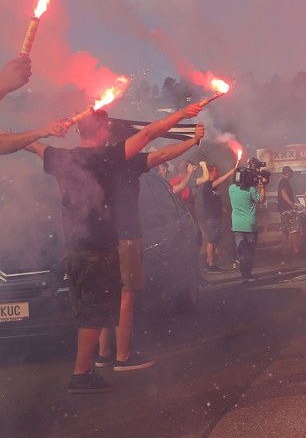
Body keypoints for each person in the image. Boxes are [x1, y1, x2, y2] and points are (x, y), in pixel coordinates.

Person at [24, 103, 202, 394]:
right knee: (94, 312)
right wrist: (180, 116)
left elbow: (35, 146)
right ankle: (81, 374)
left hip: (74, 247)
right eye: (106, 127)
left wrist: (16, 135)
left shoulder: (62, 157)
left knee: (88, 311)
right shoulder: (108, 157)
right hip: (97, 246)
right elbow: (149, 134)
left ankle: (91, 366)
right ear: (102, 131)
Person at [92, 123, 206, 372]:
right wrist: (193, 141)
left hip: (100, 238)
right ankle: (123, 355)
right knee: (125, 296)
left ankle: (103, 354)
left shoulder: (98, 160)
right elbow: (164, 154)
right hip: (126, 237)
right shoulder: (129, 162)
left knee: (104, 296)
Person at [196, 161, 236, 272]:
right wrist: (230, 173)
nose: (218, 172)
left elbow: (213, 201)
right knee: (212, 239)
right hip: (211, 217)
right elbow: (217, 182)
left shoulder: (214, 187)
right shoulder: (208, 184)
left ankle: (209, 261)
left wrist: (220, 211)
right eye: (216, 171)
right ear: (211, 173)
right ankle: (211, 265)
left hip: (216, 216)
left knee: (216, 239)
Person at [229, 165, 267, 282]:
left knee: (242, 252)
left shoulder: (231, 188)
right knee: (249, 252)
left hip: (237, 226)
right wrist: (262, 186)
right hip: (250, 226)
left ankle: (244, 274)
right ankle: (248, 273)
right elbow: (261, 200)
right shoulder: (250, 190)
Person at [277, 166, 300, 255]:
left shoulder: (283, 182)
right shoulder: (284, 182)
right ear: (288, 172)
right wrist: (292, 204)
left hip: (283, 210)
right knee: (294, 229)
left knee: (285, 230)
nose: (292, 172)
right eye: (291, 171)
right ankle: (296, 250)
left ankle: (284, 251)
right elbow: (283, 194)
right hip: (288, 210)